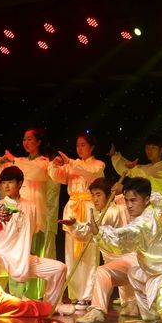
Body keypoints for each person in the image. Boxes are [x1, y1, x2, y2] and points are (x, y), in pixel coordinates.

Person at [88, 177, 162, 323]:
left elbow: (123, 236)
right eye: (126, 200)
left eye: (133, 200)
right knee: (135, 273)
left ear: (146, 200)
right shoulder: (156, 205)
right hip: (153, 272)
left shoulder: (145, 222)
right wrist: (125, 187)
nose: (129, 205)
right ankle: (151, 317)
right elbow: (157, 195)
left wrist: (99, 232)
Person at [0, 166, 69, 308]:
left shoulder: (31, 207)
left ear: (20, 183)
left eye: (10, 182)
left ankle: (52, 306)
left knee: (60, 268)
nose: (6, 186)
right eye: (4, 182)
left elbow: (34, 229)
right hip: (1, 257)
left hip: (22, 260)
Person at [0, 127, 60, 300]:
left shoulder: (44, 162)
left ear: (39, 142)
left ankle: (32, 295)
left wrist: (14, 160)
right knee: (15, 253)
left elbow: (34, 171)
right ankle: (15, 294)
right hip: (17, 213)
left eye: (30, 139)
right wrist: (1, 161)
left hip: (35, 211)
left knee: (34, 254)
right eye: (24, 139)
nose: (26, 142)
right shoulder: (19, 161)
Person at [60, 177, 140, 323]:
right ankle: (132, 303)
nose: (95, 199)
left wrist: (75, 225)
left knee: (102, 272)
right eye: (93, 195)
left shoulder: (112, 212)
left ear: (109, 195)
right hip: (123, 263)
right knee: (130, 305)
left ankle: (97, 310)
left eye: (99, 195)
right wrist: (75, 224)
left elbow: (90, 231)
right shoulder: (115, 210)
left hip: (128, 262)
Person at [49, 132, 105, 309]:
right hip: (73, 208)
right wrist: (55, 165)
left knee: (89, 253)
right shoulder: (71, 165)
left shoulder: (98, 164)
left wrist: (71, 162)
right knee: (71, 253)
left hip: (88, 207)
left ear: (92, 147)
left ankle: (87, 295)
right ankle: (74, 294)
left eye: (83, 145)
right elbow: (57, 176)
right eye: (77, 145)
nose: (79, 148)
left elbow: (91, 175)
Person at [108, 134, 162, 224]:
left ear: (161, 150)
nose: (149, 151)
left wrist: (124, 188)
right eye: (147, 148)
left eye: (153, 148)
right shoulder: (147, 168)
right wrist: (114, 155)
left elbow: (147, 185)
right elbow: (128, 170)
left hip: (159, 216)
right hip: (146, 215)